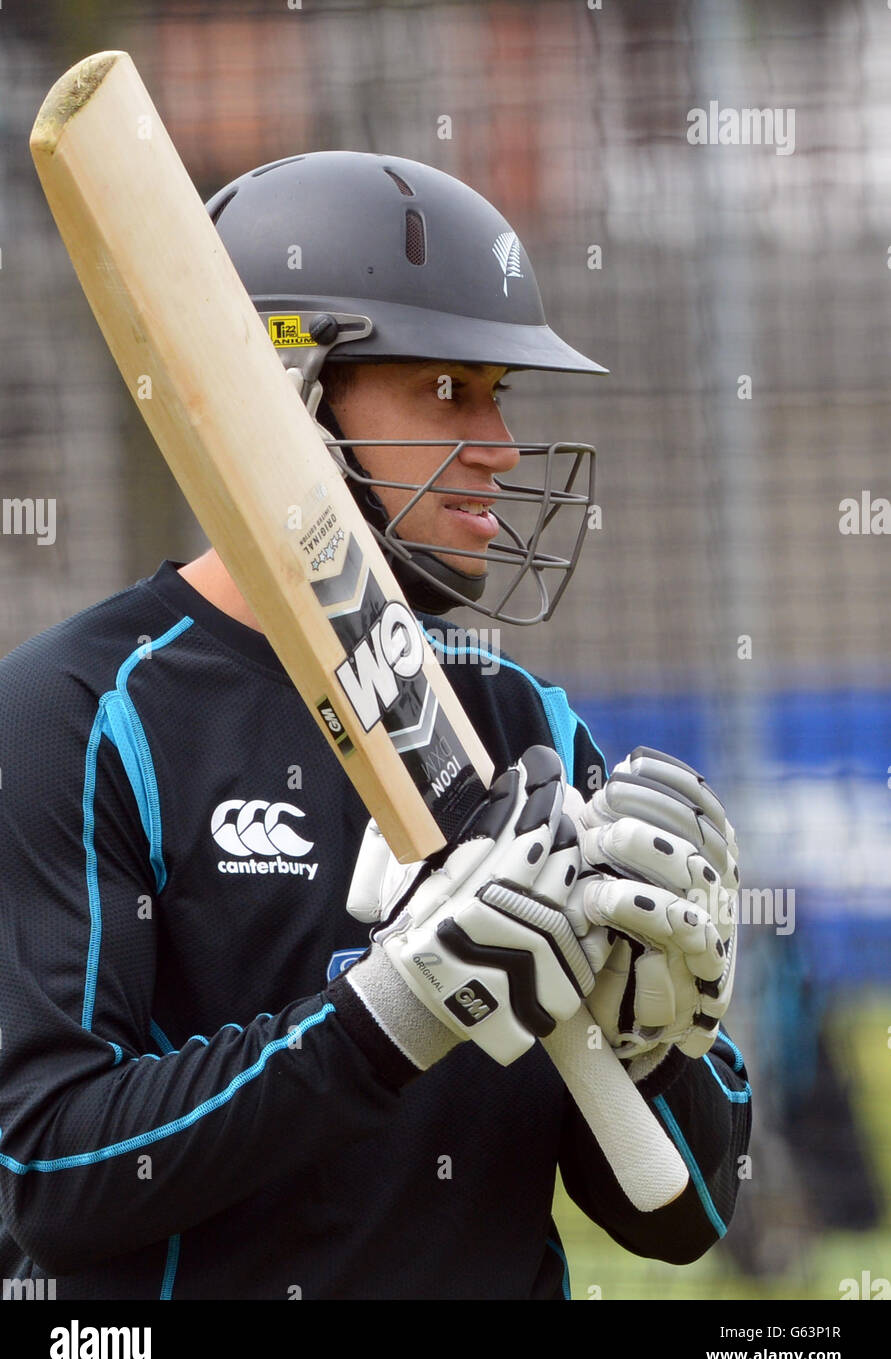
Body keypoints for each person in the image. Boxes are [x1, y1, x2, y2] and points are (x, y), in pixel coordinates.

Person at [0, 153, 750, 1300]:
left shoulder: (524, 722)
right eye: (449, 389)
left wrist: (658, 1049)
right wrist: (387, 1012)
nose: (500, 443)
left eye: (502, 390)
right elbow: (52, 1172)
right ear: (280, 396)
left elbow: (681, 1215)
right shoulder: (84, 712)